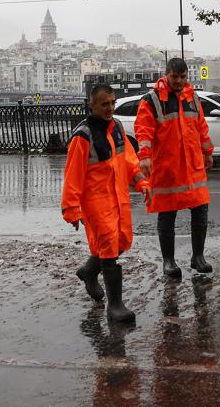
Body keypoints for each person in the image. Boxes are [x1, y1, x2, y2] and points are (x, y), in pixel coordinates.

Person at [61, 84, 148, 323]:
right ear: (92, 106)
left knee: (119, 242)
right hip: (96, 203)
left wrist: (142, 183)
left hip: (118, 198)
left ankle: (89, 271)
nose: (110, 108)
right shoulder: (83, 136)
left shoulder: (117, 128)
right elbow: (73, 174)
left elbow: (130, 161)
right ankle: (116, 306)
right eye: (104, 104)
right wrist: (71, 208)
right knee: (109, 248)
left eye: (112, 103)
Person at [135, 58, 215, 279]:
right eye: (174, 77)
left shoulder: (192, 98)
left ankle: (198, 257)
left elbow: (201, 127)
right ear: (166, 74)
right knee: (167, 214)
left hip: (193, 167)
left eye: (182, 77)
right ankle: (168, 261)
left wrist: (208, 152)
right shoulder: (151, 101)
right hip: (168, 168)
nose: (179, 81)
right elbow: (144, 131)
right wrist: (144, 157)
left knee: (200, 211)